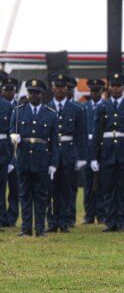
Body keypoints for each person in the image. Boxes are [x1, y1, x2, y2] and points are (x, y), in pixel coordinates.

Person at [90, 73, 124, 233]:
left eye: (119, 86)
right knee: (108, 188)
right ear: (109, 88)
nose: (116, 89)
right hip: (107, 152)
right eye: (113, 86)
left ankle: (122, 221)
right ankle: (110, 220)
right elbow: (97, 133)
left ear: (123, 88)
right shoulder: (102, 107)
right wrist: (94, 157)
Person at [10, 79, 59, 237]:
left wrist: (53, 163)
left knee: (41, 195)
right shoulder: (18, 111)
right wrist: (14, 137)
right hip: (24, 158)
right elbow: (12, 130)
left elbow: (55, 143)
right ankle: (26, 228)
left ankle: (39, 228)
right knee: (24, 195)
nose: (33, 95)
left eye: (36, 92)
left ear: (42, 94)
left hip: (42, 159)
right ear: (27, 93)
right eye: (31, 92)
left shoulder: (50, 114)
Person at [46, 73, 87, 233]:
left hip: (69, 153)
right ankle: (52, 221)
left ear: (67, 89)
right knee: (51, 189)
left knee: (66, 189)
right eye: (57, 86)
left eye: (63, 87)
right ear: (52, 88)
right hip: (51, 153)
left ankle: (64, 221)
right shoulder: (46, 107)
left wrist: (81, 157)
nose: (60, 90)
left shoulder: (76, 108)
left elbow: (82, 134)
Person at [82, 78, 106, 225]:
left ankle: (101, 213)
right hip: (87, 147)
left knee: (102, 183)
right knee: (88, 183)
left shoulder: (106, 106)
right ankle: (89, 214)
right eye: (92, 91)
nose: (95, 93)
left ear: (102, 92)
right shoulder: (83, 107)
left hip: (102, 147)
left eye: (97, 91)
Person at [2, 77, 20, 227]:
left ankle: (12, 217)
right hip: (2, 152)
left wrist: (14, 159)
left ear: (15, 91)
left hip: (15, 153)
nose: (8, 92)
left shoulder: (20, 108)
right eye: (6, 89)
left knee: (15, 188)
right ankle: (2, 217)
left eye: (11, 89)